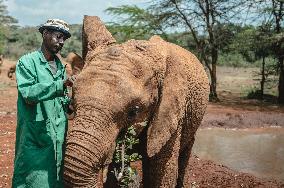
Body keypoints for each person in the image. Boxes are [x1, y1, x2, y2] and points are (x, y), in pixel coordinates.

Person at [12, 19, 75, 188]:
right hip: (35, 134)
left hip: (58, 135)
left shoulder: (61, 67)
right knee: (32, 178)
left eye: (64, 39)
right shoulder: (27, 62)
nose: (61, 42)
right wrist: (60, 85)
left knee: (54, 178)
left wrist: (71, 103)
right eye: (58, 36)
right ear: (45, 34)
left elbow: (61, 101)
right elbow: (28, 93)